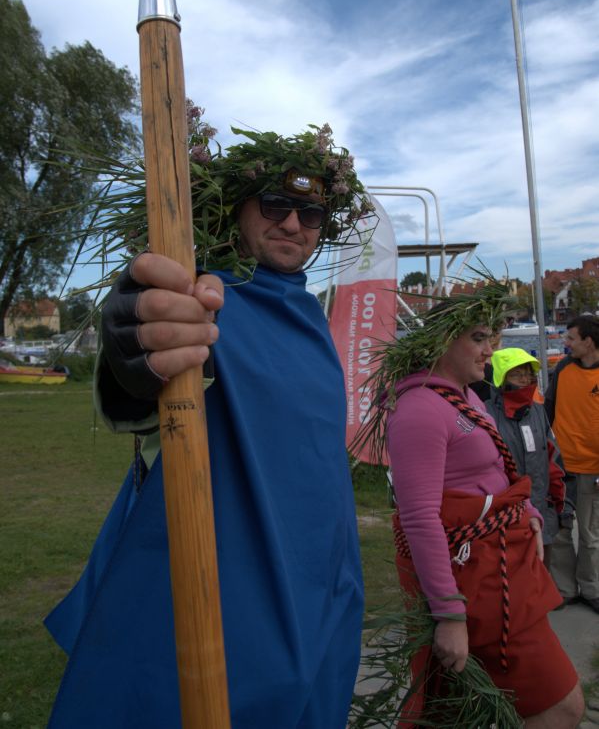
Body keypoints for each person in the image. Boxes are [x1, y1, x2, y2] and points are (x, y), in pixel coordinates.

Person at [44, 124, 374, 729]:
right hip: (229, 582)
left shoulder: (312, 313)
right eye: (275, 205)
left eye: (311, 213)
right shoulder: (207, 295)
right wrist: (133, 348)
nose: (293, 225)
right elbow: (144, 396)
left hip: (322, 573)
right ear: (236, 211)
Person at [359, 286, 584, 727]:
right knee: (563, 706)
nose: (490, 350)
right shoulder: (421, 407)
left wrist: (527, 512)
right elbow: (419, 517)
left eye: (493, 339)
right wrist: (448, 615)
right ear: (443, 340)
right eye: (480, 338)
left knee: (459, 713)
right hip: (475, 583)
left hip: (502, 570)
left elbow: (493, 472)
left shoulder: (465, 394)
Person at [485, 347, 566, 568]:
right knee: (514, 569)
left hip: (542, 507)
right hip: (506, 511)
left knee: (542, 568)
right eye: (516, 373)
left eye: (528, 373)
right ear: (502, 379)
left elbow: (551, 456)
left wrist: (562, 500)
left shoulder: (539, 411)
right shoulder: (487, 414)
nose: (524, 378)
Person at [544, 314, 599, 614]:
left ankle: (591, 589)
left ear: (588, 341)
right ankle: (565, 590)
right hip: (562, 467)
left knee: (591, 536)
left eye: (570, 339)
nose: (565, 344)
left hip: (594, 469)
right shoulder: (563, 368)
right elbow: (549, 408)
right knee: (562, 531)